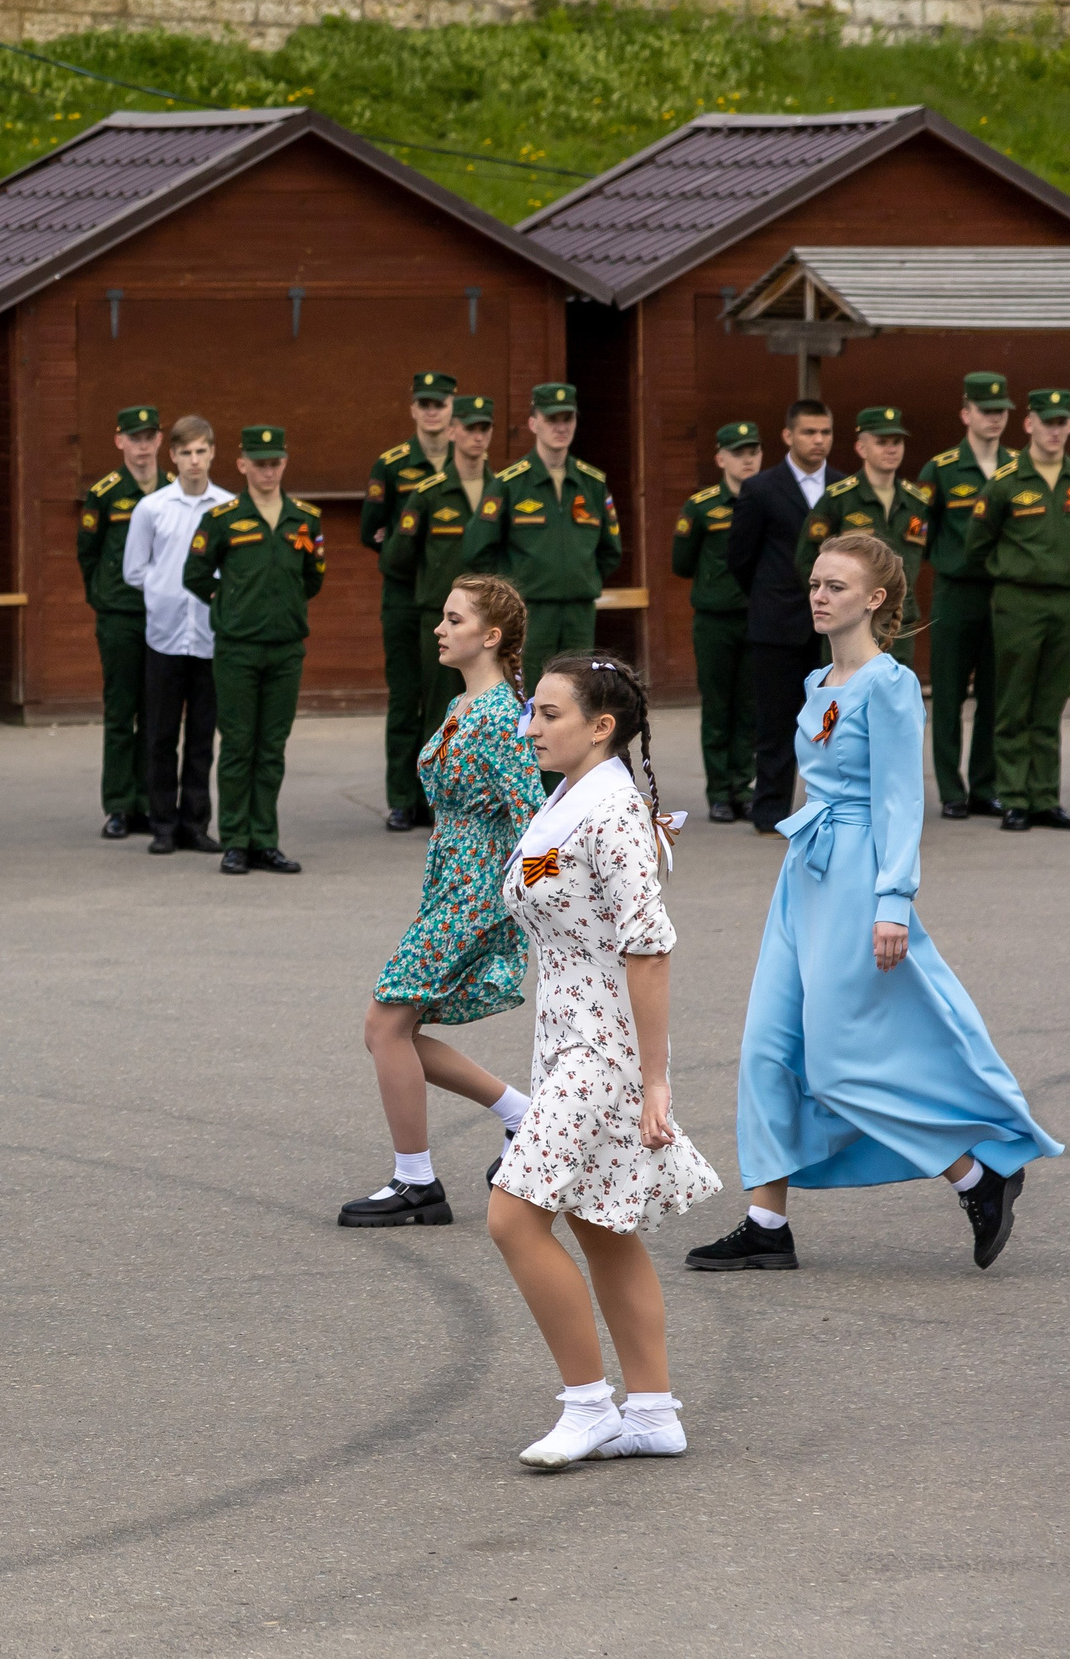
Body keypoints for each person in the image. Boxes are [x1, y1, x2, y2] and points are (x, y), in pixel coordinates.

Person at [687, 533, 1058, 1275]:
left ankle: (975, 1174)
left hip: (859, 875)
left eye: (836, 585)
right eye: (816, 582)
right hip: (804, 871)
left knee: (838, 1062)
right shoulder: (819, 681)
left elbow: (897, 801)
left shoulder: (887, 684)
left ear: (876, 599)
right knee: (766, 1046)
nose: (818, 594)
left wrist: (892, 900)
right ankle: (767, 1224)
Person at [488, 653, 717, 1469]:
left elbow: (648, 949)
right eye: (533, 711)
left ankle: (587, 1406)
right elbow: (547, 894)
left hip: (602, 1050)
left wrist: (655, 1080)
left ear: (601, 726)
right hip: (566, 1043)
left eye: (548, 714)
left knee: (512, 1215)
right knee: (598, 1221)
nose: (532, 727)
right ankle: (652, 1412)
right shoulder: (570, 797)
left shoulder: (610, 810)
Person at [342, 577, 542, 1227]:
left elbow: (535, 816)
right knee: (393, 1028)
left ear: (490, 636)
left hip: (478, 891)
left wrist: (531, 902)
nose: (439, 627)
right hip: (449, 885)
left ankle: (416, 1182)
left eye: (454, 619)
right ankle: (521, 1116)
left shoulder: (504, 715)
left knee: (384, 1021)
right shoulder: (465, 704)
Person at [182, 424, 321, 875]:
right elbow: (195, 574)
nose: (267, 470)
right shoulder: (222, 519)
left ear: (283, 463)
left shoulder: (305, 519)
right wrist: (230, 604)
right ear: (242, 465)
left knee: (272, 746)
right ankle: (235, 840)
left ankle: (266, 839)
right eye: (258, 463)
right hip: (237, 650)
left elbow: (313, 577)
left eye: (274, 462)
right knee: (239, 745)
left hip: (285, 650)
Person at [967, 387, 1070, 833]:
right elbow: (979, 542)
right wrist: (1015, 571)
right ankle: (1014, 799)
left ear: (1069, 425)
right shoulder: (1006, 481)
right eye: (1047, 422)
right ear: (1029, 424)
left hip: (1066, 603)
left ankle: (1045, 797)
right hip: (1018, 602)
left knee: (1050, 703)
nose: (1055, 430)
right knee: (1014, 700)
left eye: (1062, 422)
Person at [464, 382, 620, 693]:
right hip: (530, 612)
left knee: (577, 695)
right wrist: (515, 587)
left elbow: (609, 551)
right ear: (534, 423)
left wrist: (579, 578)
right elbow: (477, 549)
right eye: (552, 420)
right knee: (528, 696)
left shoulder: (592, 483)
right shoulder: (510, 483)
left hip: (579, 612)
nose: (560, 428)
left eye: (567, 419)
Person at [122, 416, 231, 859]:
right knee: (161, 734)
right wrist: (164, 590)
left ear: (212, 454)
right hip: (164, 637)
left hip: (208, 635)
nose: (193, 460)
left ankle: (196, 823)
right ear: (173, 457)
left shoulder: (226, 507)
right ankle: (162, 823)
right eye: (185, 452)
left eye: (201, 451)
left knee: (203, 735)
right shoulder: (153, 508)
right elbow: (134, 569)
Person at [728, 398, 840, 833]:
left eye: (825, 432)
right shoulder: (761, 488)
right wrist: (770, 598)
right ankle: (771, 810)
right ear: (788, 436)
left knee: (831, 721)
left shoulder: (841, 487)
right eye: (809, 432)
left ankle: (826, 806)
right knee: (776, 723)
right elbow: (741, 558)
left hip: (831, 629)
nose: (818, 441)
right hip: (778, 624)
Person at [918, 372, 1017, 819]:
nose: (994, 419)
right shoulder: (940, 469)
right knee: (950, 694)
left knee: (995, 694)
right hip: (956, 594)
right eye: (985, 411)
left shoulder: (1019, 466)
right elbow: (921, 531)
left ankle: (985, 786)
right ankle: (952, 792)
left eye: (1000, 412)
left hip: (1002, 592)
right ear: (966, 413)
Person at [362, 373, 457, 830]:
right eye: (424, 403)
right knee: (405, 698)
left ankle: (439, 799)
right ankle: (401, 797)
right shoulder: (392, 465)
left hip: (454, 603)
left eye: (439, 403)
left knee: (448, 703)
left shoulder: (470, 464)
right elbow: (372, 531)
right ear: (413, 409)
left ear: (452, 407)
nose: (432, 411)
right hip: (403, 597)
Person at [382, 394, 502, 751]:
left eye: (484, 429)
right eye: (469, 428)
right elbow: (397, 557)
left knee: (487, 710)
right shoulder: (428, 493)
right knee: (438, 712)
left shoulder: (503, 488)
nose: (477, 437)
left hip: (487, 620)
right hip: (439, 616)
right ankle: (429, 803)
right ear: (452, 431)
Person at [671, 422, 762, 822]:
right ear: (720, 458)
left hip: (758, 617)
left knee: (750, 705)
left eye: (753, 451)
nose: (747, 459)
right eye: (738, 452)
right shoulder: (702, 507)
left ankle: (744, 786)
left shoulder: (770, 500)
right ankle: (719, 793)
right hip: (714, 620)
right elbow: (681, 562)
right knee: (718, 705)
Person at [81, 404, 164, 839]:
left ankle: (149, 802)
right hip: (120, 615)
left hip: (163, 617)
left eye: (150, 437)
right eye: (135, 437)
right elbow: (88, 553)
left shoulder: (173, 489)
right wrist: (103, 599)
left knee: (156, 714)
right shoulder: (106, 493)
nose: (143, 446)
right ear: (120, 441)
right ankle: (118, 804)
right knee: (120, 710)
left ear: (160, 441)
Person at [796, 407, 930, 668]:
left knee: (895, 701)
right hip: (850, 624)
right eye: (881, 442)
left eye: (897, 442)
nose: (891, 449)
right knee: (843, 699)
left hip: (898, 624)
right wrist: (835, 600)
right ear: (861, 448)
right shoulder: (839, 500)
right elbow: (807, 560)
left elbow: (921, 556)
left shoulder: (917, 502)